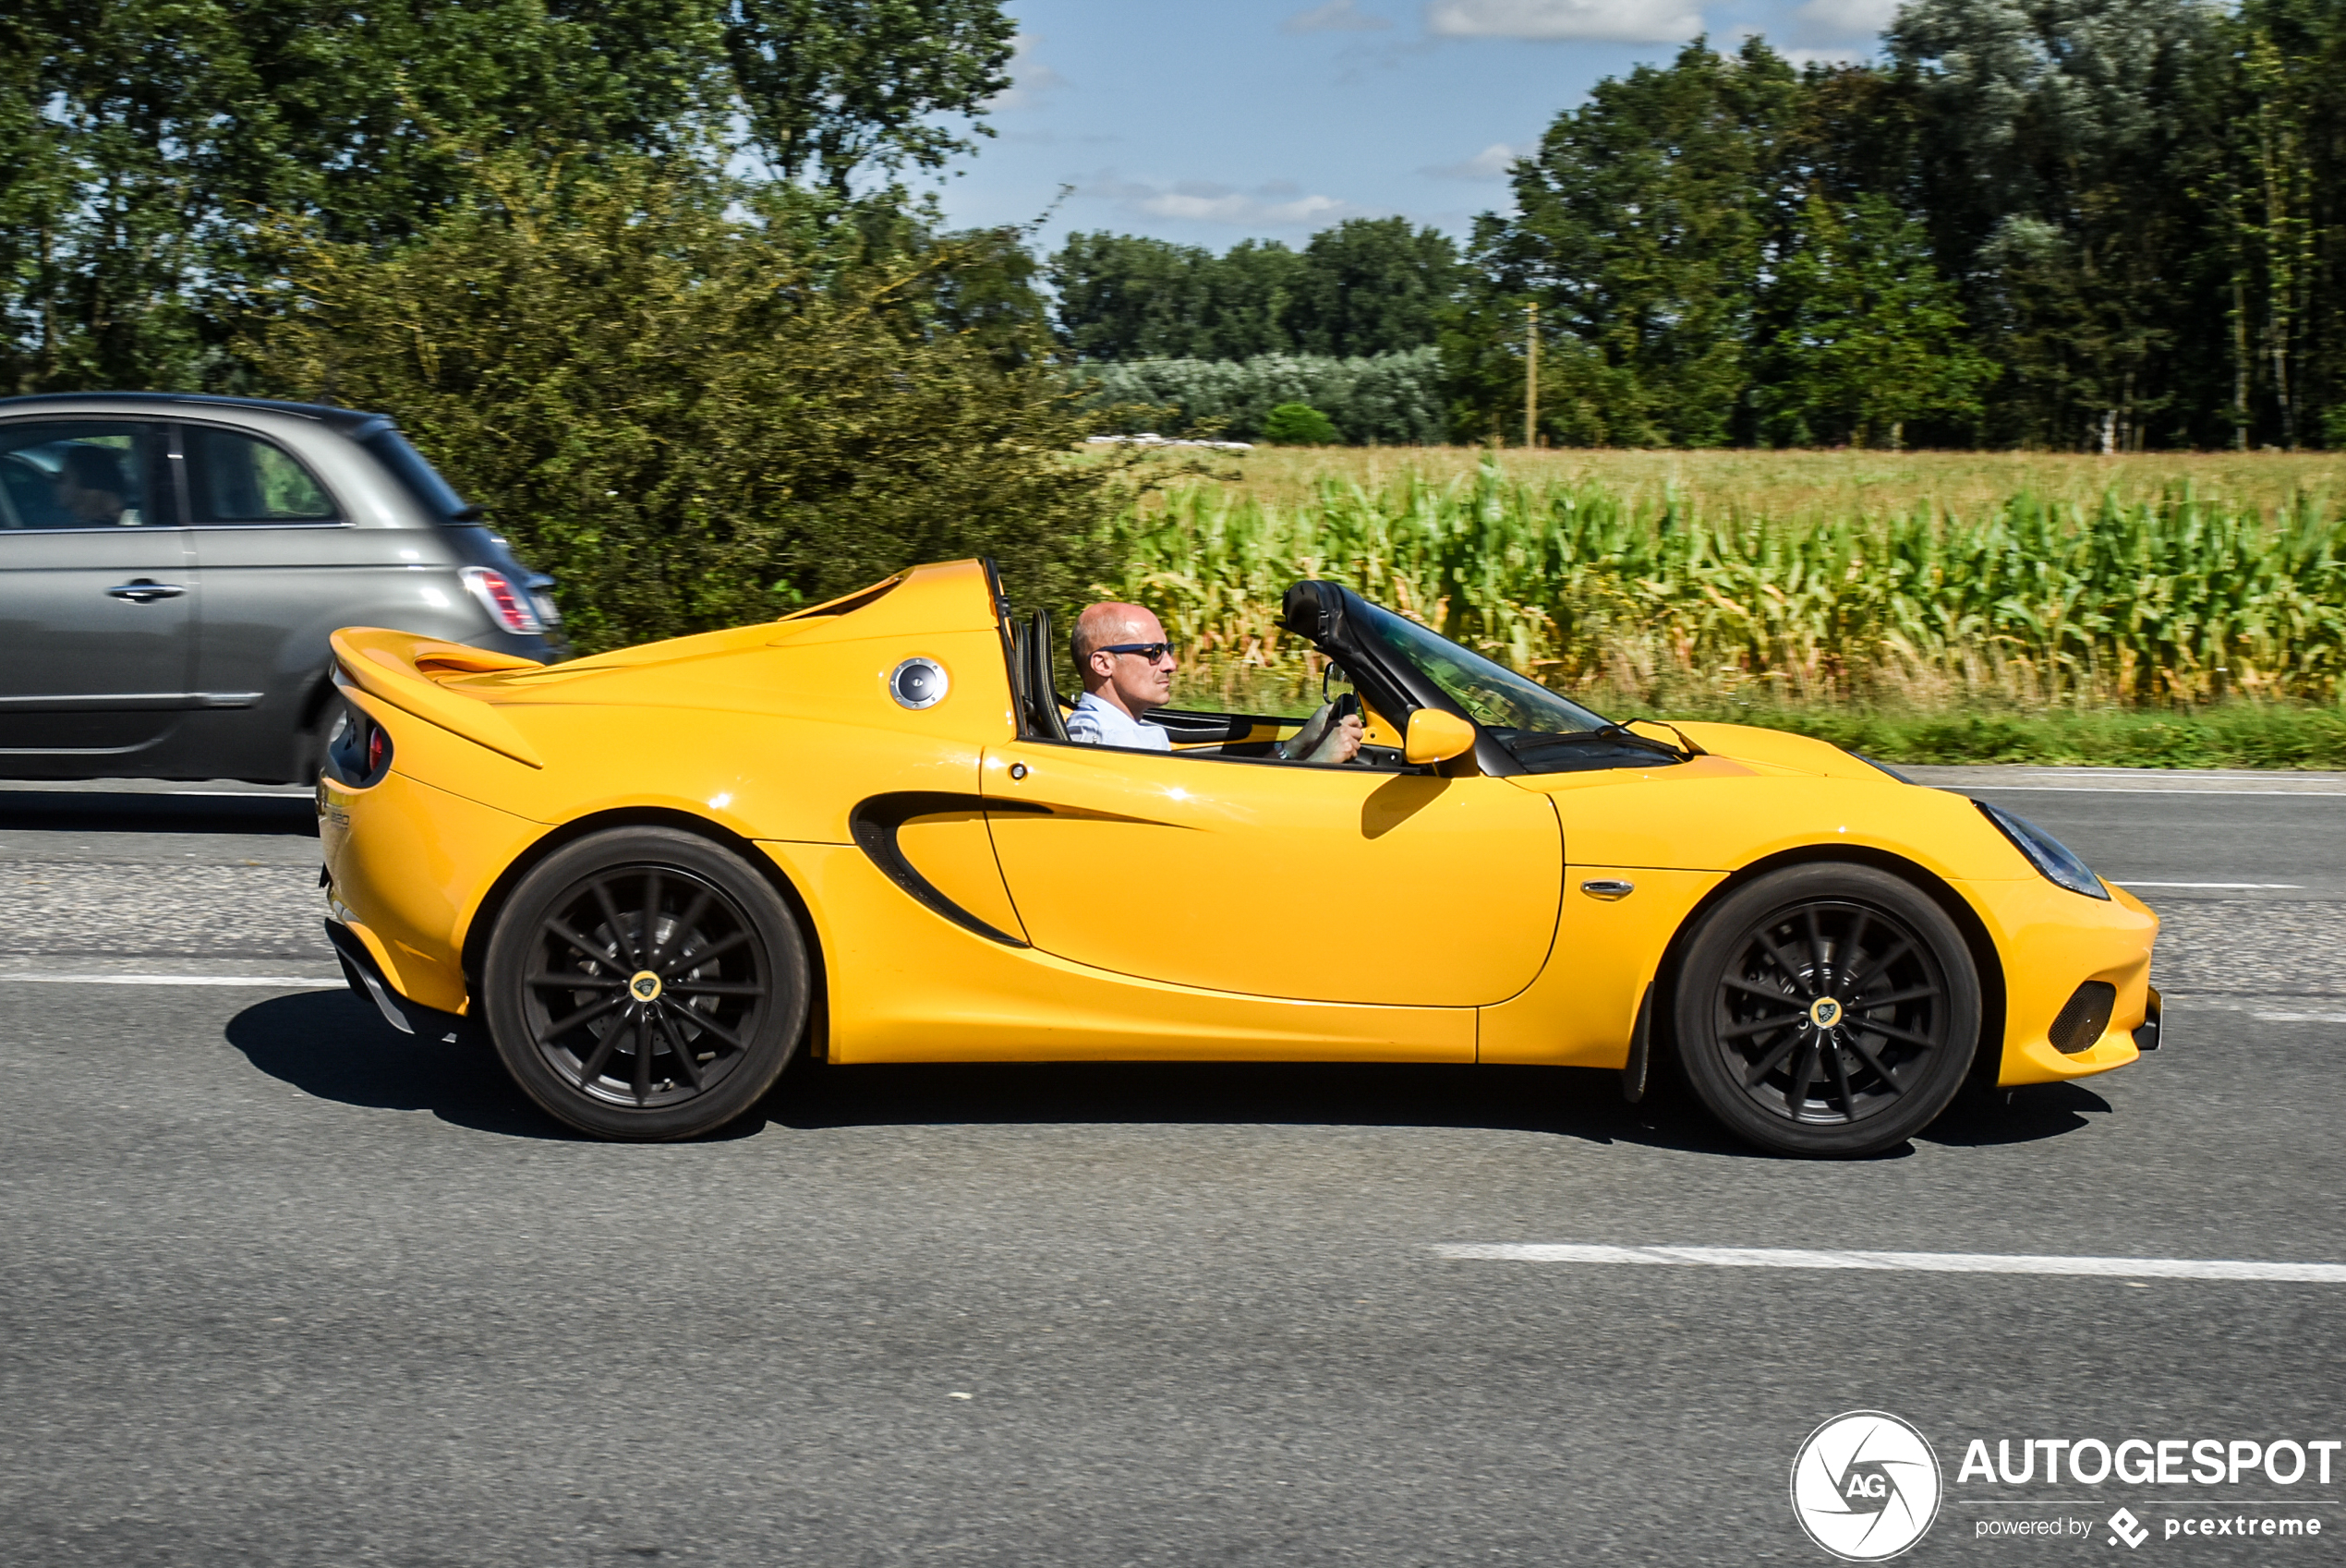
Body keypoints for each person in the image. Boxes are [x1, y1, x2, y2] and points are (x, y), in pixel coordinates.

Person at [1064, 601, 1363, 763]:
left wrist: (1297, 746)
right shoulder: (1104, 739)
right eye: (1154, 653)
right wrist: (1320, 760)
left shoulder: (1124, 730)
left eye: (1168, 650)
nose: (1171, 664)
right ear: (1103, 664)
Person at [52, 444, 134, 526]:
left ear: (87, 487)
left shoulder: (88, 531)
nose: (55, 484)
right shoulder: (107, 526)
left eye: (62, 478)